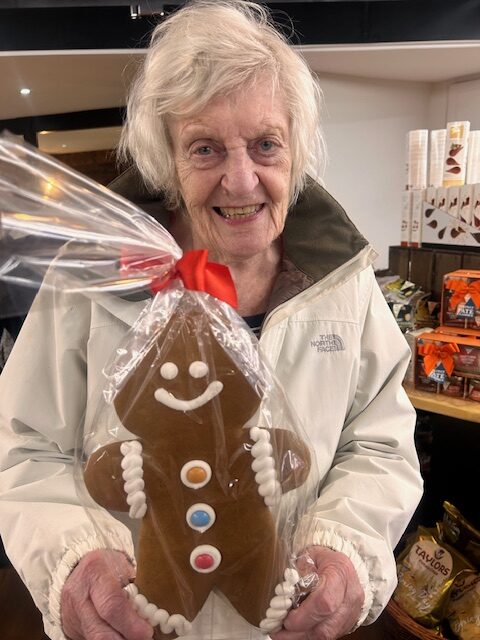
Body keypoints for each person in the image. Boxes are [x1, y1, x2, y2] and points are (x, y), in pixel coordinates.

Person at [0, 1, 423, 639]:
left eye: (265, 145)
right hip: (141, 626)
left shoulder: (343, 283)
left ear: (296, 150)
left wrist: (345, 549)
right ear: (167, 161)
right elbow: (23, 446)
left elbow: (380, 443)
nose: (241, 178)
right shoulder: (89, 282)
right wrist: (73, 556)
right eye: (205, 148)